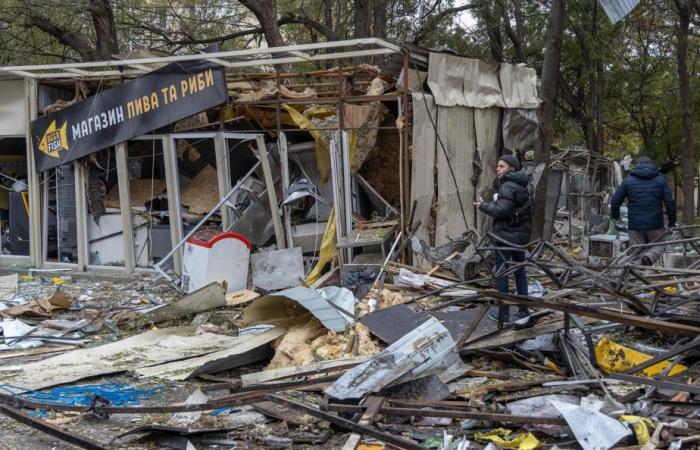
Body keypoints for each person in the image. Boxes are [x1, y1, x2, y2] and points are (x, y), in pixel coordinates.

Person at [474, 154, 532, 322]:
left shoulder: (508, 186)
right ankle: (523, 312)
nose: (497, 169)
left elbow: (501, 211)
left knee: (502, 272)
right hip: (520, 237)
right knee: (520, 272)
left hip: (506, 237)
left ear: (512, 168)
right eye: (498, 166)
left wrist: (483, 206)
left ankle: (503, 313)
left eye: (502, 166)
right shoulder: (523, 186)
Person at [610, 156, 676, 265]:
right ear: (652, 166)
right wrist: (672, 222)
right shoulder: (660, 180)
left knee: (636, 252)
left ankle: (635, 278)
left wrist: (616, 217)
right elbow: (670, 202)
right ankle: (648, 257)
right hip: (655, 224)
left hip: (635, 226)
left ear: (636, 167)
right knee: (659, 246)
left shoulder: (628, 181)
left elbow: (615, 202)